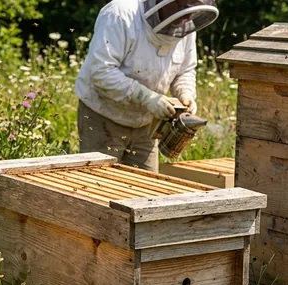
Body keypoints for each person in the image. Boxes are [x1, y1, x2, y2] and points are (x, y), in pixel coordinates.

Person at [75, 0, 219, 172]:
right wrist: (146, 97)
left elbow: (185, 70)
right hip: (104, 116)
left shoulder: (185, 25)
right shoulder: (120, 14)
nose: (187, 16)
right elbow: (101, 71)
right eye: (182, 7)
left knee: (146, 193)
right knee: (98, 187)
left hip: (148, 125)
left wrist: (185, 92)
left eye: (192, 9)